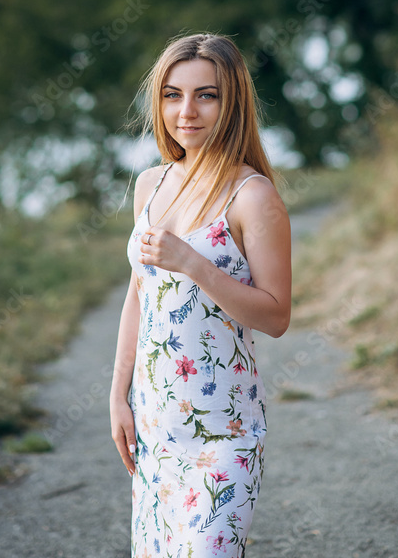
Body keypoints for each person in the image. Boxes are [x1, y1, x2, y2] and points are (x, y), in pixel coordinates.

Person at [109, 32, 292, 558]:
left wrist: (192, 263)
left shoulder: (252, 196)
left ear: (231, 102)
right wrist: (118, 398)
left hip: (223, 435)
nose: (186, 111)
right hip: (155, 427)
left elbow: (276, 316)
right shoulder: (151, 184)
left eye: (206, 95)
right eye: (172, 94)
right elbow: (138, 297)